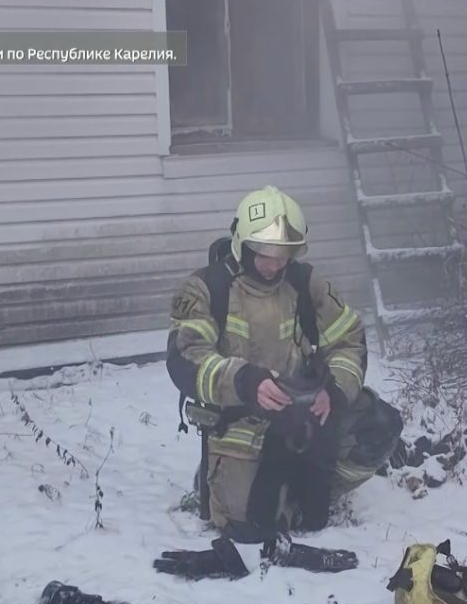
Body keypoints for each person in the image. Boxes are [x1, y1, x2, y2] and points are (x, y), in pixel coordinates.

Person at [165, 186, 404, 543]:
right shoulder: (204, 289)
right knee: (250, 525)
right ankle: (223, 478)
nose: (276, 265)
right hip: (242, 419)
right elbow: (186, 357)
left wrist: (333, 391)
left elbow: (348, 340)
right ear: (242, 243)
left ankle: (306, 491)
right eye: (266, 255)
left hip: (307, 412)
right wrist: (246, 382)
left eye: (285, 255)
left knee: (380, 427)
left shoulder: (305, 282)